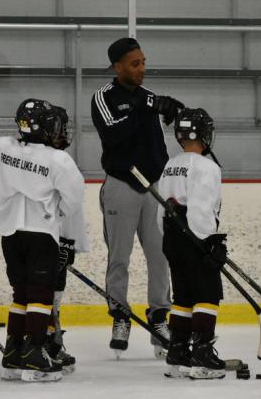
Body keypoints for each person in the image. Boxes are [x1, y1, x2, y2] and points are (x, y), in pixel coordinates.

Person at [0, 98, 86, 382]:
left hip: (10, 233)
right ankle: (33, 353)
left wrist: (6, 152)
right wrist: (60, 217)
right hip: (41, 233)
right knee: (40, 295)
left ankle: (13, 353)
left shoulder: (2, 147)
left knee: (20, 293)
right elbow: (74, 197)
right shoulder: (56, 158)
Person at [91, 37, 184, 359]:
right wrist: (146, 109)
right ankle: (120, 316)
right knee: (119, 258)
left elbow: (157, 144)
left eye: (143, 62)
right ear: (118, 67)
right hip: (121, 185)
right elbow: (114, 134)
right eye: (135, 64)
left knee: (161, 257)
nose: (142, 68)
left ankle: (160, 318)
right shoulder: (103, 97)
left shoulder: (147, 98)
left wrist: (171, 115)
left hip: (154, 189)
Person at [156, 108, 227, 380]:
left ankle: (178, 352)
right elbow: (200, 206)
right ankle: (202, 353)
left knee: (184, 295)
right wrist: (210, 241)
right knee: (207, 293)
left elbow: (162, 205)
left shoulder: (170, 164)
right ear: (204, 133)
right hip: (195, 233)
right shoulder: (207, 166)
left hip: (173, 236)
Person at [45, 105, 90, 373]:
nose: (65, 133)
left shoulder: (58, 158)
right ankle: (49, 343)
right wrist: (63, 241)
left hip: (61, 240)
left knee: (54, 295)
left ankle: (51, 341)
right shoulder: (52, 160)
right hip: (51, 240)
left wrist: (70, 242)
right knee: (46, 295)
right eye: (60, 128)